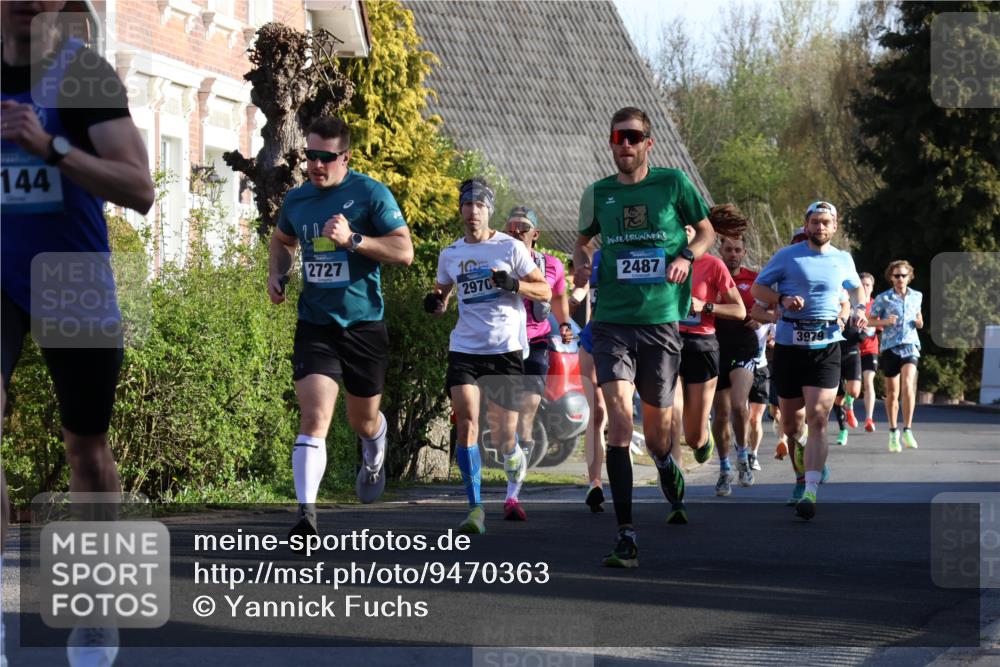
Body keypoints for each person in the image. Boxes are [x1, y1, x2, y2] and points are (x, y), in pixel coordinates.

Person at [2, 2, 155, 664]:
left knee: (86, 449)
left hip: (70, 275)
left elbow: (140, 187)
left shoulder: (80, 75)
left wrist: (52, 146)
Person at [574, 106, 715, 568]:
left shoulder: (673, 184)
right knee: (617, 419)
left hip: (659, 323)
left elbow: (707, 230)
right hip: (612, 320)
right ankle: (626, 535)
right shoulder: (598, 193)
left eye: (634, 137)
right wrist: (580, 259)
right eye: (619, 137)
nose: (626, 145)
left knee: (657, 436)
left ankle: (664, 462)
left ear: (648, 143)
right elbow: (582, 240)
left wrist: (687, 256)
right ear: (611, 143)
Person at [269, 117, 414, 544]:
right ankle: (306, 515)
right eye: (309, 155)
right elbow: (282, 241)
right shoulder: (297, 201)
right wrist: (277, 274)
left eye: (325, 157)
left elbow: (404, 250)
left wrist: (354, 241)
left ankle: (374, 444)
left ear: (345, 157)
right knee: (314, 417)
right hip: (315, 322)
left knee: (361, 420)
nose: (315, 164)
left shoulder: (370, 194)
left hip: (363, 324)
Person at [427, 178, 550, 531]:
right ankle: (475, 509)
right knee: (466, 420)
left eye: (479, 205)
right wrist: (435, 301)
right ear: (461, 211)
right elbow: (443, 291)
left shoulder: (510, 248)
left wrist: (513, 284)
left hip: (505, 350)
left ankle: (514, 461)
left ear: (488, 210)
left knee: (502, 439)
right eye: (467, 205)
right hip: (464, 347)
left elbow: (543, 290)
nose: (472, 212)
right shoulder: (451, 253)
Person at [751, 201, 866, 520]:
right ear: (806, 224)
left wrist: (858, 311)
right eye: (815, 222)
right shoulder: (787, 256)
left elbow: (857, 291)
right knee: (790, 425)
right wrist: (782, 300)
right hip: (789, 347)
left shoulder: (843, 259)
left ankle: (811, 490)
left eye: (826, 223)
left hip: (827, 345)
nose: (820, 228)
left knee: (817, 418)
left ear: (835, 226)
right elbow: (758, 288)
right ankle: (801, 475)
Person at [666, 220, 745, 519]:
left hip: (702, 346)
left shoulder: (713, 265)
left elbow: (739, 310)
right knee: (670, 419)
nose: (683, 236)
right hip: (668, 343)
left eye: (688, 230)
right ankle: (676, 498)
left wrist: (706, 306)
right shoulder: (661, 261)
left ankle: (705, 440)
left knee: (694, 436)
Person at [504, 206, 573, 468]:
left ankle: (520, 465)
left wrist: (565, 324)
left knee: (527, 409)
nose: (516, 233)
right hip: (504, 343)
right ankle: (509, 456)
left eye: (522, 228)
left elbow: (558, 297)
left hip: (536, 341)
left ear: (535, 233)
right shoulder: (496, 260)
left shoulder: (551, 264)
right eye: (510, 228)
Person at [712, 226, 761, 491]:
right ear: (720, 250)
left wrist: (759, 318)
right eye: (728, 249)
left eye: (738, 250)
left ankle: (743, 456)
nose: (733, 254)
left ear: (744, 252)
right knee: (720, 413)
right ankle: (724, 467)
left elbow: (769, 309)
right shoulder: (711, 275)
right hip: (715, 346)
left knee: (740, 404)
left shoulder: (754, 279)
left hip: (744, 345)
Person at [570, 250, 608, 512]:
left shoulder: (640, 248)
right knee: (597, 413)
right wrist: (573, 296)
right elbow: (583, 291)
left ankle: (618, 473)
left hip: (626, 337)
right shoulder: (595, 256)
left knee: (619, 415)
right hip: (594, 336)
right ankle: (595, 482)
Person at [871, 260, 923, 452]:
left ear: (910, 276)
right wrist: (885, 321)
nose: (900, 279)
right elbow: (869, 321)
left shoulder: (917, 296)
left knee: (908, 384)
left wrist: (919, 323)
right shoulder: (884, 298)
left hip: (910, 345)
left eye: (903, 275)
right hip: (890, 347)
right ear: (891, 277)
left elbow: (920, 320)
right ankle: (894, 432)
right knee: (893, 392)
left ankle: (908, 429)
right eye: (896, 275)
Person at [747, 321, 775, 468]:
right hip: (738, 367)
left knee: (755, 420)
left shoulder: (766, 312)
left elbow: (778, 332)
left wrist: (773, 340)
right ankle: (742, 450)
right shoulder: (740, 309)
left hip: (760, 369)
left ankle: (753, 454)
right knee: (743, 415)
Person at [857, 273, 881, 432]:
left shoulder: (876, 306)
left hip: (870, 349)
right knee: (853, 387)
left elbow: (878, 329)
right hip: (852, 350)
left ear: (872, 288)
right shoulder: (851, 303)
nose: (865, 287)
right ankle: (848, 411)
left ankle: (869, 418)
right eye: (862, 284)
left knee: (868, 381)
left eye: (868, 285)